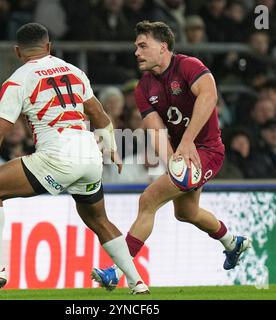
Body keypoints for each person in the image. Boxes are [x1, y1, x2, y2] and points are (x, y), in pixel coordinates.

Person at [0, 23, 149, 294]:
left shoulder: (19, 79)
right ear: (48, 47)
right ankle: (137, 282)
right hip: (90, 155)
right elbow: (100, 115)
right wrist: (112, 148)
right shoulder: (74, 71)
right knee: (99, 220)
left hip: (58, 156)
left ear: (18, 51)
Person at [92, 21, 251, 290]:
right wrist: (174, 162)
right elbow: (155, 132)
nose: (137, 52)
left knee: (149, 199)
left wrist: (187, 142)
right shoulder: (143, 88)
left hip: (208, 151)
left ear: (163, 46)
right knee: (187, 212)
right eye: (136, 47)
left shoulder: (189, 66)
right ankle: (233, 242)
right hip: (183, 154)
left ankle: (117, 272)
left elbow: (209, 96)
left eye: (143, 46)